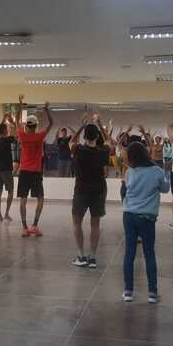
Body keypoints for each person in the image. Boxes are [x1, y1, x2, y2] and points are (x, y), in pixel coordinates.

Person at [121, 142, 169, 303]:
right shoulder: (156, 171)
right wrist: (166, 173)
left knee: (129, 253)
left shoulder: (129, 172)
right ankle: (152, 293)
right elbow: (165, 189)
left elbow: (126, 189)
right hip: (147, 217)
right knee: (149, 253)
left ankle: (128, 291)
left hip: (129, 215)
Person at [70, 115, 110, 268]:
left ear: (84, 137)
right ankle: (92, 257)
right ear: (97, 137)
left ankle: (81, 256)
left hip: (81, 191)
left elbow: (72, 140)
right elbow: (108, 141)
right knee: (95, 224)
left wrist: (82, 126)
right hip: (98, 191)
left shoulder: (78, 150)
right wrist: (99, 123)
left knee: (77, 222)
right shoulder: (103, 151)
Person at [16, 95, 54, 237]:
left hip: (24, 171)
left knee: (23, 200)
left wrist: (21, 106)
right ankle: (34, 225)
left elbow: (16, 121)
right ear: (36, 125)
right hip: (36, 172)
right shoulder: (39, 136)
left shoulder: (22, 135)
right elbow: (51, 124)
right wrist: (47, 110)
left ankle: (24, 227)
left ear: (26, 125)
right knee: (40, 199)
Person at [0, 115, 17, 222]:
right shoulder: (8, 140)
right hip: (6, 170)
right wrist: (13, 122)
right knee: (10, 191)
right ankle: (6, 213)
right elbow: (16, 133)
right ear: (5, 131)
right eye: (7, 129)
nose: (8, 130)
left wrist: (3, 120)